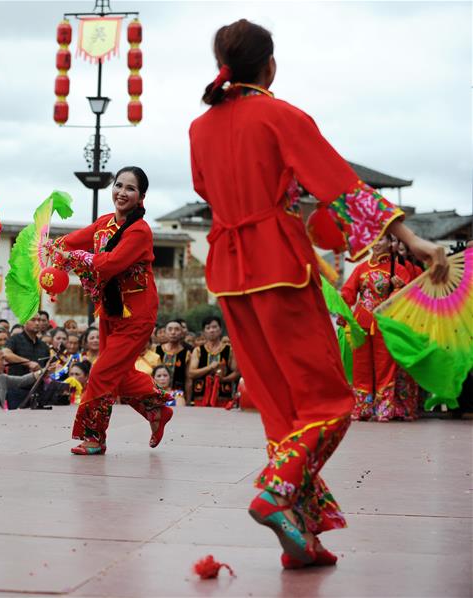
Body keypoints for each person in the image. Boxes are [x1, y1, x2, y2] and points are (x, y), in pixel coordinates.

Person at [188, 19, 448, 566]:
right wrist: (414, 240)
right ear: (271, 66)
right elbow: (340, 186)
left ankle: (301, 540)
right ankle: (276, 493)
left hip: (229, 275)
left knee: (283, 409)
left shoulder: (199, 128)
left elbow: (208, 191)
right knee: (330, 401)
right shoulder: (281, 115)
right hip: (279, 265)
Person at [49, 167, 174, 454]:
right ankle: (158, 409)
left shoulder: (139, 231)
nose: (122, 192)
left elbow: (109, 264)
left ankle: (94, 437)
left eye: (130, 188)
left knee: (102, 373)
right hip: (109, 310)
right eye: (119, 185)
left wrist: (72, 258)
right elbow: (73, 239)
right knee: (117, 375)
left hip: (137, 315)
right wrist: (50, 248)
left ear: (141, 197)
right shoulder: (104, 223)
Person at [340, 236, 412, 421]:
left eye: (381, 240)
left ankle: (384, 408)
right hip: (361, 323)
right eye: (374, 240)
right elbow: (349, 291)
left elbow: (408, 298)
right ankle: (362, 407)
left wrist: (398, 289)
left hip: (385, 324)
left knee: (384, 366)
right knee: (361, 367)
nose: (377, 243)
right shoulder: (361, 268)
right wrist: (342, 309)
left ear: (391, 243)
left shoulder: (400, 270)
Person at [188, 316, 239, 408]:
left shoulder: (229, 350)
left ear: (220, 330)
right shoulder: (198, 350)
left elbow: (237, 372)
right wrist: (210, 367)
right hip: (201, 396)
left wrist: (224, 379)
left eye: (214, 327)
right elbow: (191, 373)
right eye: (208, 328)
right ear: (204, 332)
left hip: (223, 396)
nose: (211, 330)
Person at [3, 316, 50, 409]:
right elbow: (6, 354)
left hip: (38, 392)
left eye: (39, 320)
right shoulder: (15, 339)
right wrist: (28, 363)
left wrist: (48, 369)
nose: (37, 323)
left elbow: (46, 369)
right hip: (17, 391)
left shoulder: (43, 345)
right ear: (24, 322)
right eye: (33, 320)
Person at [156, 319, 193, 403]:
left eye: (177, 329)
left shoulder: (186, 353)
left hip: (178, 394)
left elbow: (188, 380)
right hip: (157, 393)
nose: (173, 332)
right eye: (170, 329)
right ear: (165, 332)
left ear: (182, 333)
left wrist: (188, 400)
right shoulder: (156, 350)